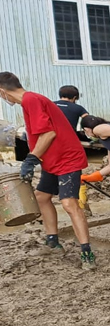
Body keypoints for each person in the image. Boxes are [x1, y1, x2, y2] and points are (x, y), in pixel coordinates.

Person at [0, 72, 97, 269]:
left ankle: (87, 253)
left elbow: (48, 134)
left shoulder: (31, 100)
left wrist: (30, 159)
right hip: (52, 160)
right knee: (42, 197)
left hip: (67, 159)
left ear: (3, 92)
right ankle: (53, 242)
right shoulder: (31, 101)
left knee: (69, 203)